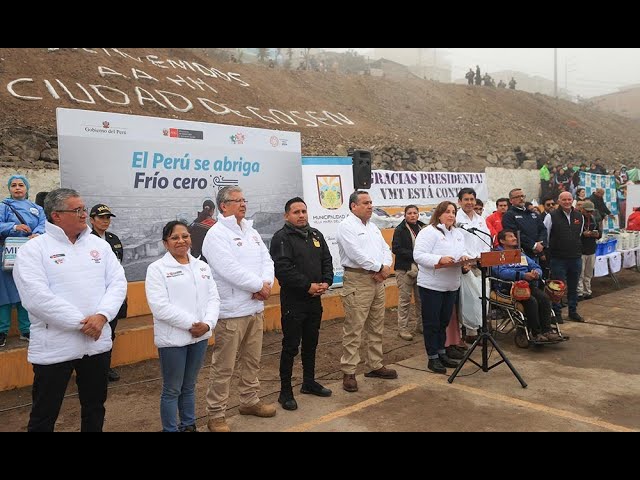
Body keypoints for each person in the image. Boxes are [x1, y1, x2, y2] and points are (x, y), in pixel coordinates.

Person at [13, 188, 127, 432]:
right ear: (56, 215)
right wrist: (84, 323)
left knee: (95, 407)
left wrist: (102, 316)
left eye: (83, 209)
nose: (84, 214)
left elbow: (118, 283)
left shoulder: (100, 246)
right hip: (55, 347)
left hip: (96, 344)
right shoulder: (33, 250)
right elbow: (36, 298)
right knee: (45, 414)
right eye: (77, 210)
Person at [203, 187, 276, 432]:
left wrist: (266, 285)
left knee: (252, 361)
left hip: (255, 307)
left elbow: (267, 260)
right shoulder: (216, 234)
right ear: (223, 206)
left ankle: (249, 400)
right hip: (232, 312)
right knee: (223, 367)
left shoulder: (251, 231)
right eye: (237, 201)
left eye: (245, 199)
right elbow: (228, 268)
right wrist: (258, 285)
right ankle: (216, 414)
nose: (243, 204)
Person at [145, 221, 220, 432]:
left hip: (200, 337)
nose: (181, 241)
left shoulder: (202, 266)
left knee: (189, 386)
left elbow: (214, 299)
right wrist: (191, 324)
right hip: (173, 340)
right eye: (175, 238)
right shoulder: (157, 269)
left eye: (185, 236)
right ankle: (170, 429)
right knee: (172, 389)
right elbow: (160, 307)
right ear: (165, 243)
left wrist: (207, 324)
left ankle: (188, 425)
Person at [269, 198, 334, 411]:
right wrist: (307, 286)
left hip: (315, 301)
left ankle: (309, 382)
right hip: (294, 303)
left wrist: (326, 281)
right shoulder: (281, 238)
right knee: (290, 347)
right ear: (287, 216)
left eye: (304, 211)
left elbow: (327, 260)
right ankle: (285, 392)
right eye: (296, 212)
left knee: (311, 343)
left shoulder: (316, 235)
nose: (301, 215)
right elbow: (283, 269)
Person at [337, 191, 397, 393]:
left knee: (376, 324)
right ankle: (349, 370)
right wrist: (380, 268)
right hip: (358, 280)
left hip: (378, 280)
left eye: (371, 202)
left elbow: (385, 249)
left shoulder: (373, 227)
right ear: (353, 206)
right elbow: (356, 255)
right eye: (365, 203)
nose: (370, 206)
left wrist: (385, 268)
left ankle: (375, 364)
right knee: (354, 327)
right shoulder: (346, 226)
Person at [414, 201, 471, 374]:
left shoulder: (458, 233)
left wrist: (465, 260)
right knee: (432, 323)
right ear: (439, 214)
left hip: (451, 284)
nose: (451, 215)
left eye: (453, 212)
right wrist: (439, 259)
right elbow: (419, 255)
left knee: (444, 322)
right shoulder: (428, 232)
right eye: (447, 211)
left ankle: (441, 352)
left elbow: (462, 252)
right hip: (432, 285)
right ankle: (432, 358)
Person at [0, 175, 46, 348]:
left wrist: (38, 234)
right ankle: (2, 331)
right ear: (9, 189)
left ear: (26, 188)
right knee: (3, 293)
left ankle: (26, 330)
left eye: (21, 185)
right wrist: (13, 227)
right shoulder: (3, 206)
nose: (17, 188)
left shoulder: (36, 208)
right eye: (13, 185)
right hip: (6, 254)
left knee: (25, 290)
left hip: (29, 254)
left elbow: (43, 224)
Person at [492, 230, 559, 343]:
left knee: (544, 298)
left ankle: (547, 330)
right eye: (511, 236)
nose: (514, 238)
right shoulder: (497, 255)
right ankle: (536, 333)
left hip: (526, 285)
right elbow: (501, 273)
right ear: (502, 241)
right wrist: (523, 275)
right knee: (531, 301)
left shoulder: (519, 253)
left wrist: (536, 273)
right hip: (508, 287)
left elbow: (535, 265)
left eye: (514, 236)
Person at [90, 204, 127, 382]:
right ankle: (92, 369)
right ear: (91, 220)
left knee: (110, 331)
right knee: (94, 331)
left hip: (113, 293)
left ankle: (106, 367)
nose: (105, 221)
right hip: (94, 293)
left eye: (107, 218)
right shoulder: (85, 239)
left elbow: (118, 266)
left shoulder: (113, 239)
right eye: (101, 217)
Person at [456, 188, 491, 341]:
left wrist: (481, 258)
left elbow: (486, 240)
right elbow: (456, 242)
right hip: (464, 265)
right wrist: (469, 260)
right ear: (459, 201)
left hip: (480, 264)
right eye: (466, 199)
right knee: (468, 299)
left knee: (482, 297)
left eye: (472, 199)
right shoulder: (456, 219)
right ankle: (469, 333)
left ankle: (479, 329)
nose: (470, 203)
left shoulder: (480, 219)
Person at [543, 192, 584, 323]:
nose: (567, 202)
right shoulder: (551, 216)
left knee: (573, 286)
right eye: (564, 199)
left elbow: (580, 233)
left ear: (573, 200)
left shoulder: (579, 216)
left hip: (575, 257)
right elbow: (546, 235)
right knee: (557, 287)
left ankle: (573, 311)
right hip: (558, 258)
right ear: (559, 201)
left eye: (569, 199)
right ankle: (557, 313)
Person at [392, 205, 427, 341]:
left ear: (418, 215)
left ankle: (421, 325)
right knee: (405, 300)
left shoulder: (424, 228)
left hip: (422, 269)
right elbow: (396, 249)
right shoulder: (399, 230)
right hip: (404, 269)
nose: (412, 215)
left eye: (415, 213)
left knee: (421, 300)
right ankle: (403, 328)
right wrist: (415, 255)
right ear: (405, 215)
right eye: (409, 213)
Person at [502, 188, 548, 260]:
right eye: (517, 197)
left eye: (522, 196)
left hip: (538, 252)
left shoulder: (532, 213)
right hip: (522, 253)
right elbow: (515, 233)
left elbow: (543, 229)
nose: (521, 198)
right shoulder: (509, 215)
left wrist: (541, 244)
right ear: (511, 200)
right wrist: (533, 245)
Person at [577, 201, 601, 300]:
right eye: (587, 211)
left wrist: (597, 234)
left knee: (588, 273)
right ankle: (579, 292)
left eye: (591, 212)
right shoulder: (577, 219)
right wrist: (583, 234)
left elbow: (600, 233)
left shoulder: (593, 219)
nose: (589, 213)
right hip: (581, 250)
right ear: (582, 210)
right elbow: (574, 234)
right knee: (580, 273)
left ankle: (587, 291)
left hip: (591, 249)